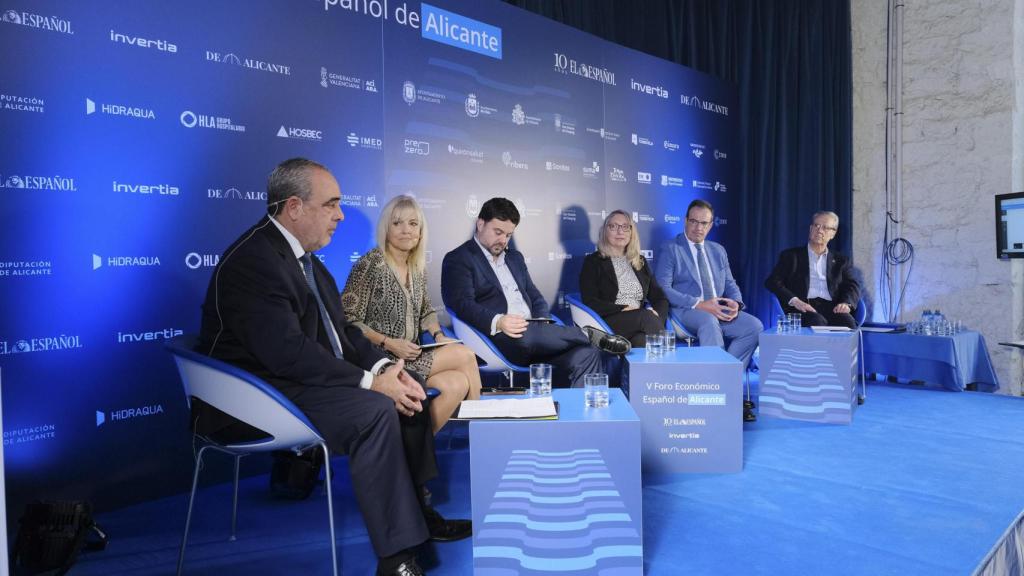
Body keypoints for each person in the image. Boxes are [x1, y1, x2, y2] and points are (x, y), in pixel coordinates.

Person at [195, 158, 467, 576]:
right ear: (294, 207)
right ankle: (397, 558)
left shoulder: (309, 263)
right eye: (331, 204)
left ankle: (419, 515)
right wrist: (370, 382)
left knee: (407, 389)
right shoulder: (254, 260)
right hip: (257, 395)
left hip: (297, 382)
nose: (341, 215)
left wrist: (386, 369)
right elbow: (287, 353)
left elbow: (345, 334)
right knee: (376, 409)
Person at [441, 197, 629, 387]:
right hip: (499, 338)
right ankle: (586, 334)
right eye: (498, 232)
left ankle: (582, 405)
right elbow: (461, 304)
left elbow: (535, 296)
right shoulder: (459, 258)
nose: (503, 240)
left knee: (587, 354)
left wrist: (542, 321)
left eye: (508, 235)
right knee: (526, 335)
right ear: (480, 224)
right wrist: (499, 321)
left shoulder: (514, 258)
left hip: (537, 335)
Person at [342, 195, 482, 434]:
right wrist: (388, 342)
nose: (406, 230)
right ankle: (482, 429)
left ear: (420, 231)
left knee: (456, 384)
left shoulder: (417, 267)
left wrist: (438, 335)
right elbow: (347, 319)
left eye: (413, 223)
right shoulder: (371, 264)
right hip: (380, 360)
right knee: (465, 355)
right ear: (386, 228)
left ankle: (413, 451)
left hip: (410, 356)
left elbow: (426, 310)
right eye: (397, 223)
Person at [655, 199, 762, 368]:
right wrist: (700, 304)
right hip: (686, 310)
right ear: (685, 221)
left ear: (711, 225)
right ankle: (716, 377)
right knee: (708, 321)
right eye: (694, 221)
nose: (699, 227)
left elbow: (730, 283)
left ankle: (729, 373)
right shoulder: (671, 248)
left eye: (704, 223)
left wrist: (736, 303)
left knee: (754, 327)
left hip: (717, 308)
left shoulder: (718, 250)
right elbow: (663, 288)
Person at [579, 210, 669, 347]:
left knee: (642, 341)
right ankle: (671, 359)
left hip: (639, 323)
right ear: (605, 231)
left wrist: (657, 316)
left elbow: (660, 298)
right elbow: (590, 301)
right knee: (645, 317)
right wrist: (623, 308)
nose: (620, 231)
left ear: (632, 232)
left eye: (625, 227)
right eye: (613, 226)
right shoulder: (593, 262)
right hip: (607, 322)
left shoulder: (640, 262)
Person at [765, 210, 861, 328]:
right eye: (816, 225)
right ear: (811, 229)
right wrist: (795, 301)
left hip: (833, 308)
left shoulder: (842, 261)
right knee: (817, 322)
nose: (819, 230)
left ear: (833, 234)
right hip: (803, 307)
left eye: (825, 227)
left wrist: (846, 303)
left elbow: (852, 285)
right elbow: (772, 282)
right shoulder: (791, 256)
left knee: (848, 323)